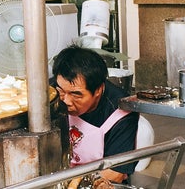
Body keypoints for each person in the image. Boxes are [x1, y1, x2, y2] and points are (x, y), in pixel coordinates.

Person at [51, 44, 140, 183]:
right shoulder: (53, 91)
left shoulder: (121, 112)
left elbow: (117, 172)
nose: (66, 100)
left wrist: (77, 180)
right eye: (61, 91)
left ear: (98, 90)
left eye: (76, 95)